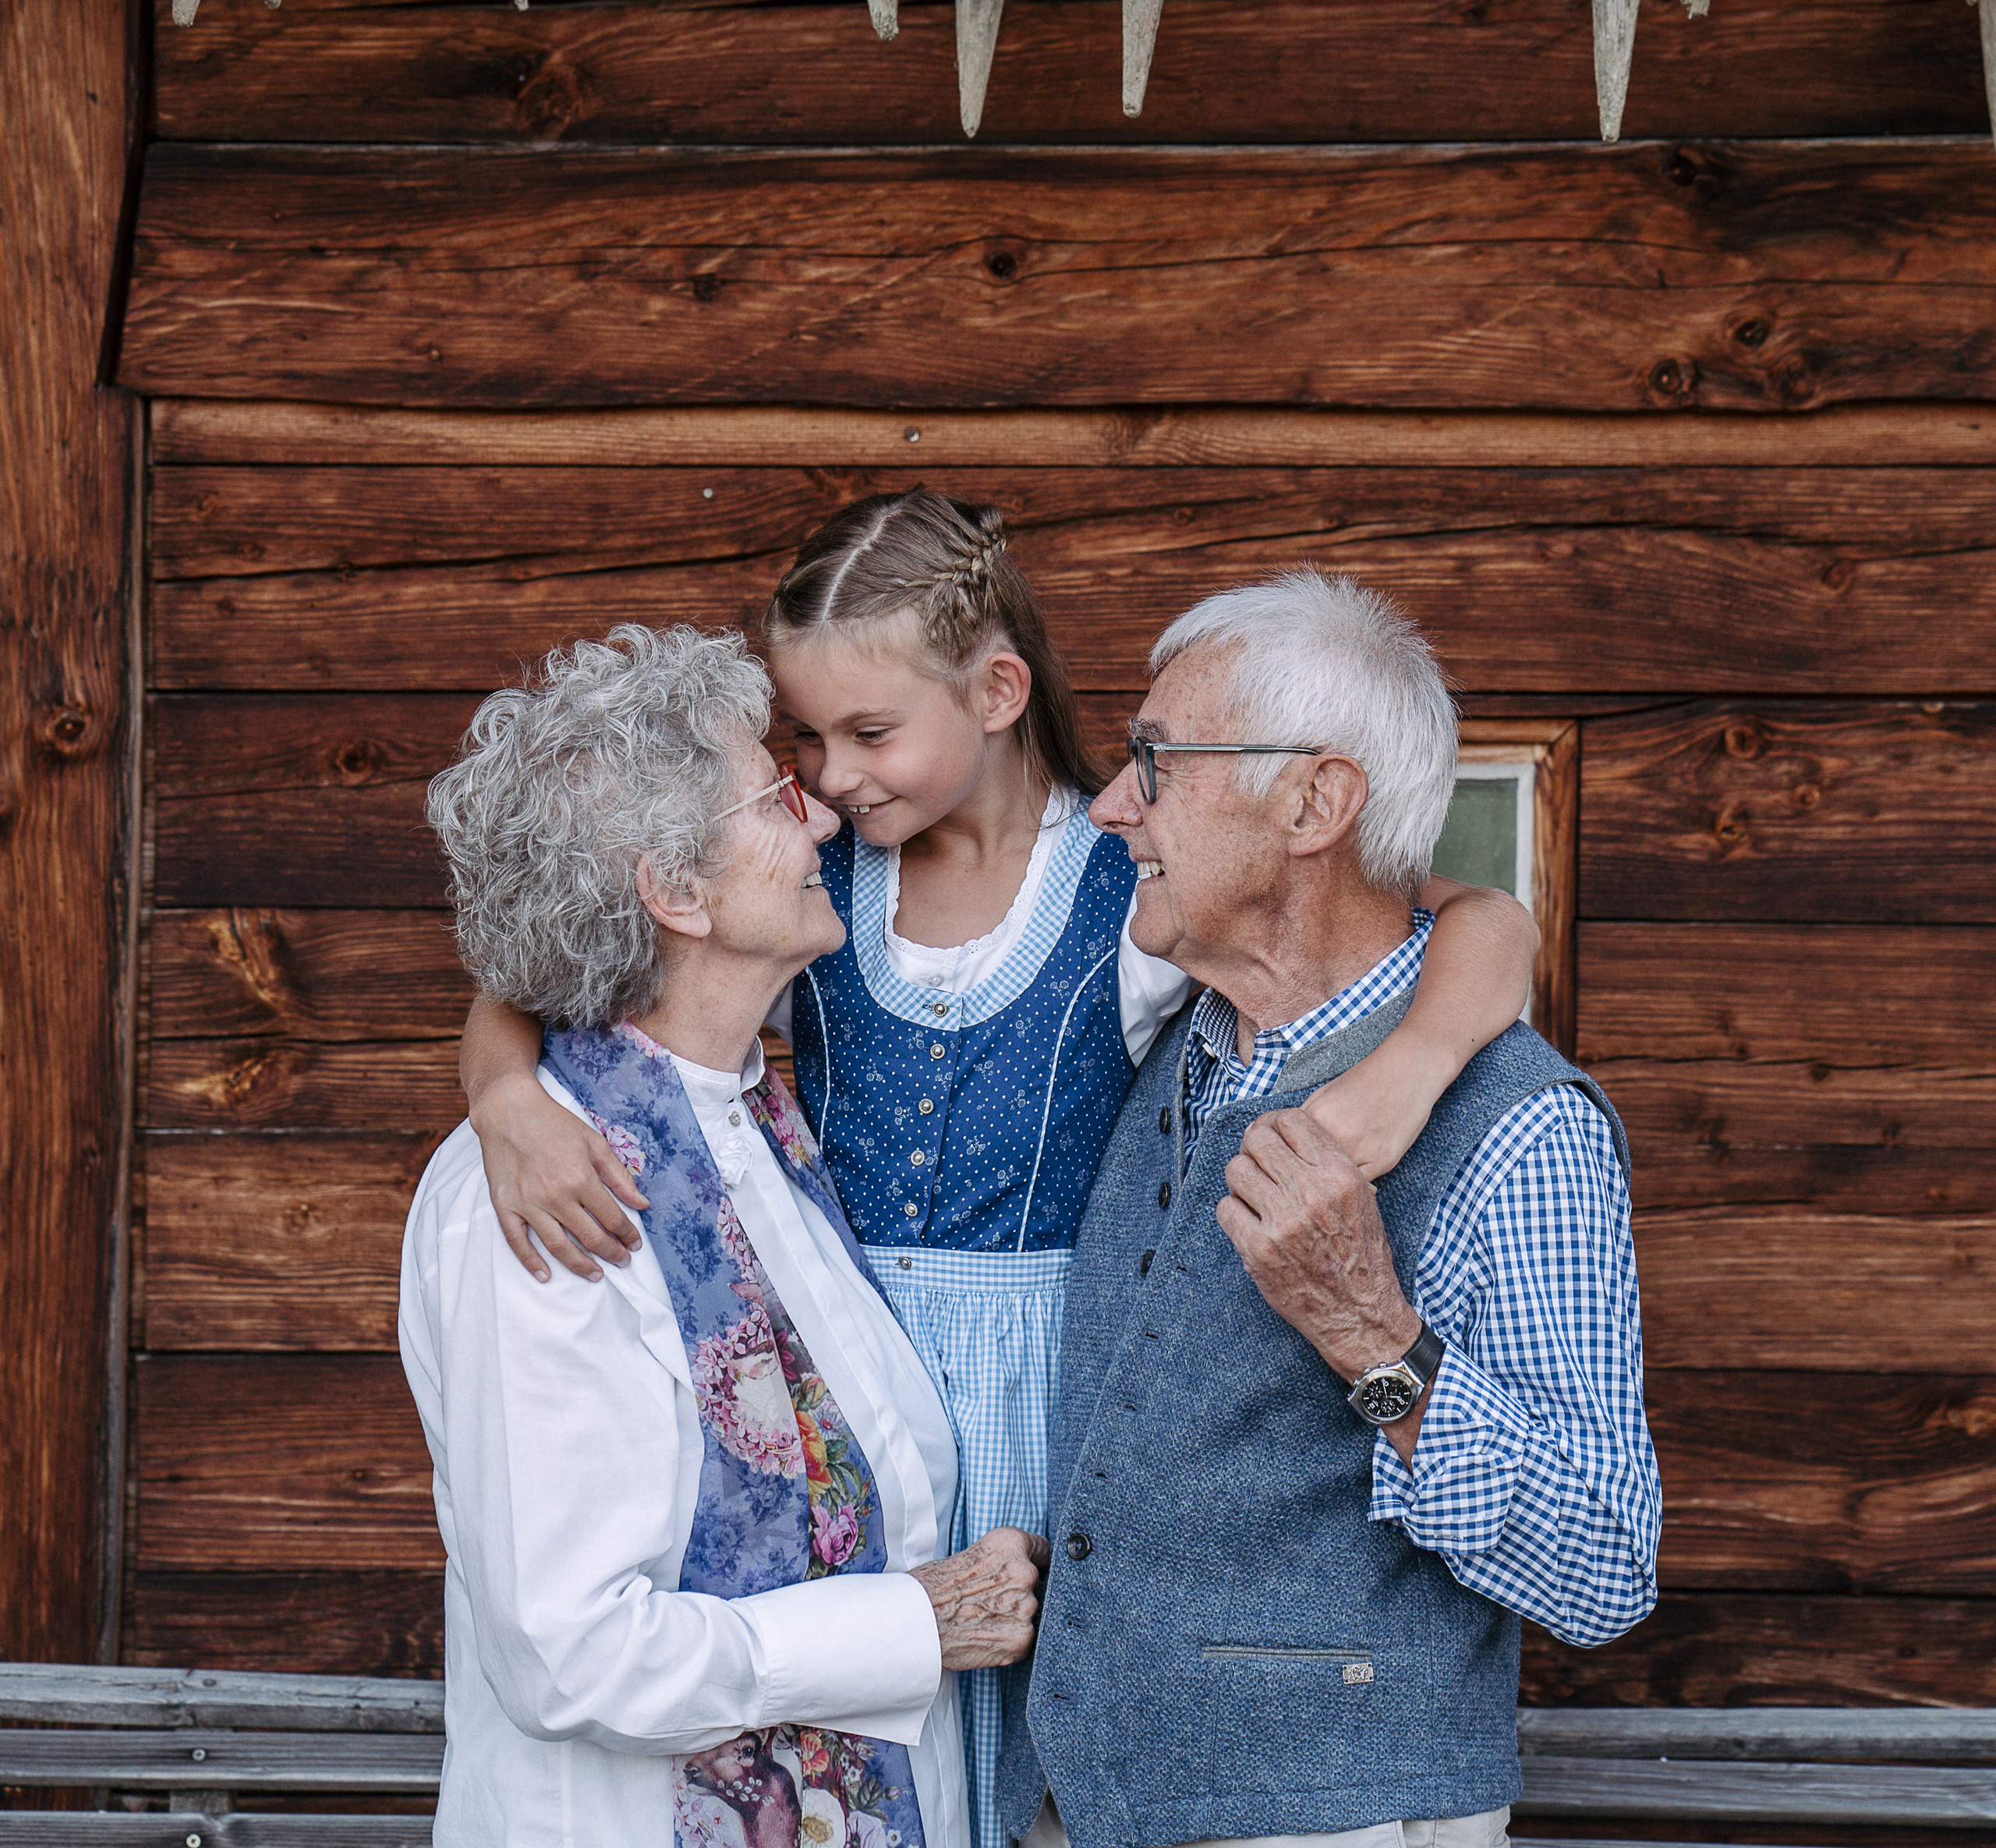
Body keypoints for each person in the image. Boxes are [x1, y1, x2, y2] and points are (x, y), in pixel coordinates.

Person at [455, 494, 1543, 1848]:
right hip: (850, 1385)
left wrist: (1419, 1062)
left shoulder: (1128, 881)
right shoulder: (811, 890)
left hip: (1052, 1391)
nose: (834, 778)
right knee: (876, 1715)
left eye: (867, 734)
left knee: (1038, 1751)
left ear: (996, 691)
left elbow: (1477, 918)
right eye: (804, 742)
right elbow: (547, 975)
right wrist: (505, 1093)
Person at [996, 571, 1662, 1848]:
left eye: (1156, 763)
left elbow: (1601, 1565)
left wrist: (1373, 1340)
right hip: (1087, 1802)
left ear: (1316, 802)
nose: (1115, 808)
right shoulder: (1174, 1032)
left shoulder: (1521, 1131)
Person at [401, 623, 1049, 1846]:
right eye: (775, 798)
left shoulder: (763, 1126)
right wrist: (918, 1626)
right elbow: (571, 1652)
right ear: (675, 891)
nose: (819, 823)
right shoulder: (548, 1191)